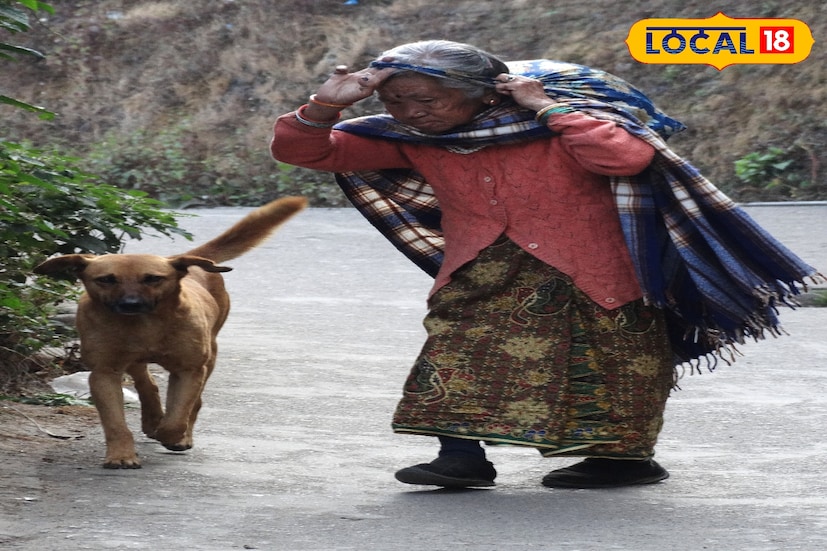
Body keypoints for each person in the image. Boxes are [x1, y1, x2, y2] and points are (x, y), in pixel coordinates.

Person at [270, 40, 821, 489]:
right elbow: (308, 150)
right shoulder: (411, 139)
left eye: (424, 99)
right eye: (396, 102)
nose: (408, 112)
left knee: (613, 360)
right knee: (456, 351)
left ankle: (623, 461)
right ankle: (460, 457)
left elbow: (628, 156)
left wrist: (548, 109)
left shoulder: (557, 124)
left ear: (479, 95)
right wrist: (326, 104)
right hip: (482, 270)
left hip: (599, 269)